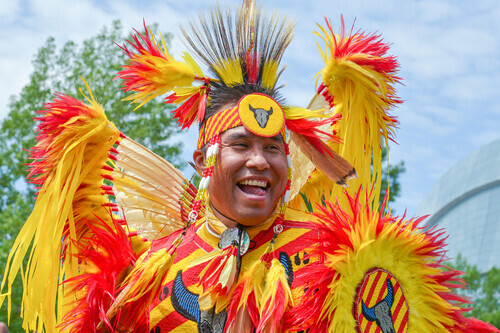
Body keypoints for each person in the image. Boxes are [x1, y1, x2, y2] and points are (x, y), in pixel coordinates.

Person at [1, 2, 498, 333]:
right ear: (204, 159)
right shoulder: (150, 271)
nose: (259, 161)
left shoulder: (341, 255)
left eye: (274, 148)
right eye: (241, 144)